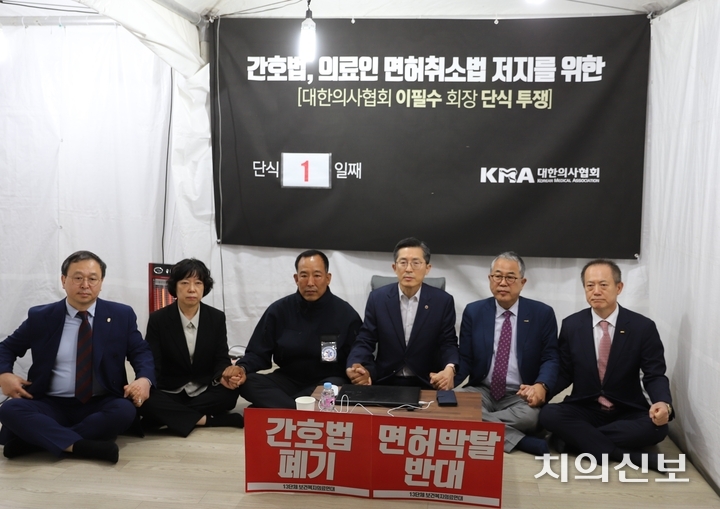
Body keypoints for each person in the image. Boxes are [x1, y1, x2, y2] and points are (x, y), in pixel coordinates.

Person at [0, 251, 155, 463]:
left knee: (124, 411)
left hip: (99, 402)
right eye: (78, 278)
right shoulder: (41, 317)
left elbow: (140, 352)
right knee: (10, 409)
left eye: (92, 279)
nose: (85, 285)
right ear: (63, 280)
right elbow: (6, 348)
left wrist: (144, 379)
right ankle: (82, 446)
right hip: (50, 403)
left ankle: (36, 441)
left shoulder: (121, 315)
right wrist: (4, 374)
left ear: (101, 283)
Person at [539, 259, 673, 469]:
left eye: (603, 285)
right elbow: (565, 372)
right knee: (549, 414)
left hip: (626, 409)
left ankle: (574, 440)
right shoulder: (572, 325)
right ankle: (624, 455)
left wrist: (663, 403)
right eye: (590, 285)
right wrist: (542, 389)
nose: (596, 291)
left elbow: (654, 374)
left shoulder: (642, 327)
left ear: (619, 287)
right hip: (585, 407)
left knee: (658, 428)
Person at [223, 250, 362, 408]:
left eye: (317, 275)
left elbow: (357, 356)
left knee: (335, 389)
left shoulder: (345, 314)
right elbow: (257, 353)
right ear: (296, 279)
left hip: (327, 382)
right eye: (304, 276)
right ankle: (299, 408)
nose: (310, 282)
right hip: (287, 380)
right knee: (248, 382)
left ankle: (282, 407)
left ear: (328, 278)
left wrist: (358, 370)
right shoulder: (278, 311)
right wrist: (241, 368)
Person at [454, 252, 559, 455]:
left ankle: (477, 425)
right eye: (497, 276)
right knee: (451, 404)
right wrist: (450, 374)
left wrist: (541, 385)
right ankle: (520, 440)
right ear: (490, 279)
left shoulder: (542, 314)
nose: (503, 283)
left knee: (532, 417)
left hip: (520, 394)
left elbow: (551, 357)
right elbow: (465, 357)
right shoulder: (474, 312)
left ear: (522, 282)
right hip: (482, 390)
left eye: (510, 277)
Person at [139, 259, 243, 437]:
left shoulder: (216, 318)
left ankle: (165, 417)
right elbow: (153, 361)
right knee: (146, 399)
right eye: (185, 283)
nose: (192, 289)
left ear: (205, 287)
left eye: (198, 283)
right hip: (170, 390)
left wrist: (222, 376)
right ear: (175, 286)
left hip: (203, 389)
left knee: (230, 394)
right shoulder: (158, 319)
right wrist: (146, 384)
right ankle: (209, 420)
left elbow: (221, 358)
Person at [346, 237, 459, 389]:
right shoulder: (377, 299)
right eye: (403, 262)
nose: (409, 269)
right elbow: (365, 339)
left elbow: (448, 343)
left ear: (427, 268)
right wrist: (356, 365)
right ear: (394, 267)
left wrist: (450, 368)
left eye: (416, 263)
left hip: (426, 381)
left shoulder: (442, 301)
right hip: (385, 380)